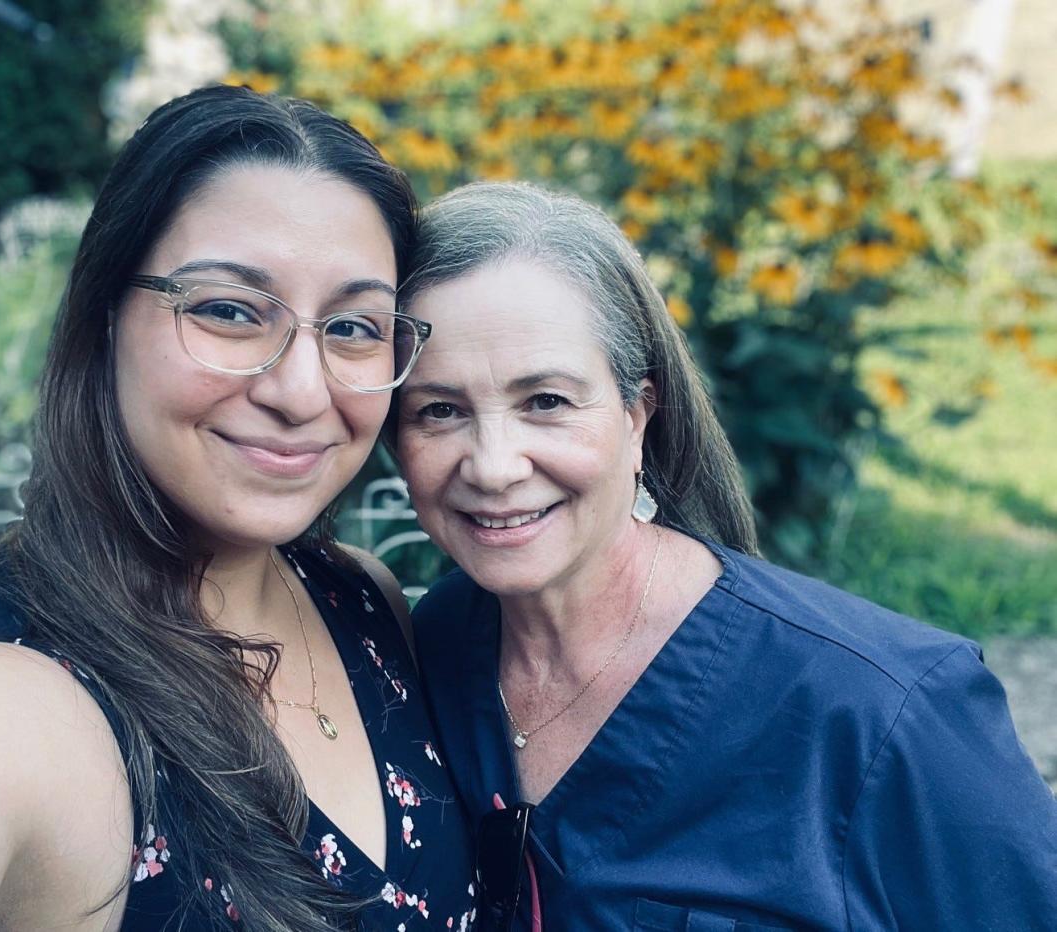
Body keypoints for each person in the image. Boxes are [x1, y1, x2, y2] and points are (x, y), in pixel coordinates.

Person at [0, 86, 477, 931]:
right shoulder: (3, 709)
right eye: (229, 310)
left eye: (353, 327)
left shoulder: (364, 598)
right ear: (103, 320)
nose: (303, 392)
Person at [395, 181, 1057, 931]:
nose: (493, 465)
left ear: (638, 415)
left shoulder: (884, 712)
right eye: (438, 410)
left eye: (545, 401)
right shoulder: (428, 654)